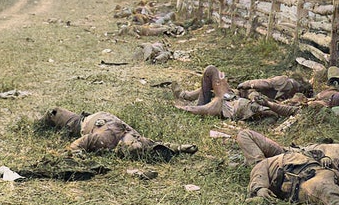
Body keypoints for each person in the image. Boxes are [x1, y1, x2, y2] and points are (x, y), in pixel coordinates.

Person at [43, 107, 197, 161]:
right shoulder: (106, 138)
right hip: (79, 123)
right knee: (53, 113)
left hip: (100, 119)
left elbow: (154, 144)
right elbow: (75, 145)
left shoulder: (134, 138)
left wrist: (179, 148)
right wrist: (77, 153)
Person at [236, 129, 339, 178]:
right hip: (289, 152)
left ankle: (260, 169)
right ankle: (259, 166)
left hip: (293, 162)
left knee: (245, 135)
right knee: (245, 135)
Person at [172, 65, 289, 121]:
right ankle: (186, 96)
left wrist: (248, 84)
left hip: (230, 103)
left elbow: (261, 86)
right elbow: (261, 87)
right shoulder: (284, 92)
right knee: (211, 72)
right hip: (233, 98)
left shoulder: (285, 86)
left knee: (211, 71)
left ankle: (187, 99)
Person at [254, 66, 339, 119]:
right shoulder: (331, 93)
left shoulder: (337, 97)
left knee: (292, 109)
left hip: (310, 110)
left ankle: (268, 104)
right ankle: (267, 104)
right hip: (306, 106)